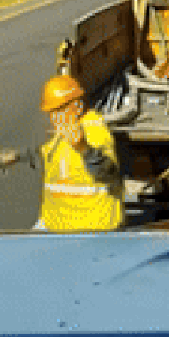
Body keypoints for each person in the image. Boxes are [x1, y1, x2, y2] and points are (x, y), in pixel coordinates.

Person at [33, 74, 126, 231]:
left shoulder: (95, 132)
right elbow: (47, 154)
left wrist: (83, 148)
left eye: (60, 109)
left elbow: (109, 175)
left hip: (94, 229)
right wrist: (20, 155)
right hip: (56, 227)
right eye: (51, 112)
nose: (55, 118)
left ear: (77, 106)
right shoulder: (63, 131)